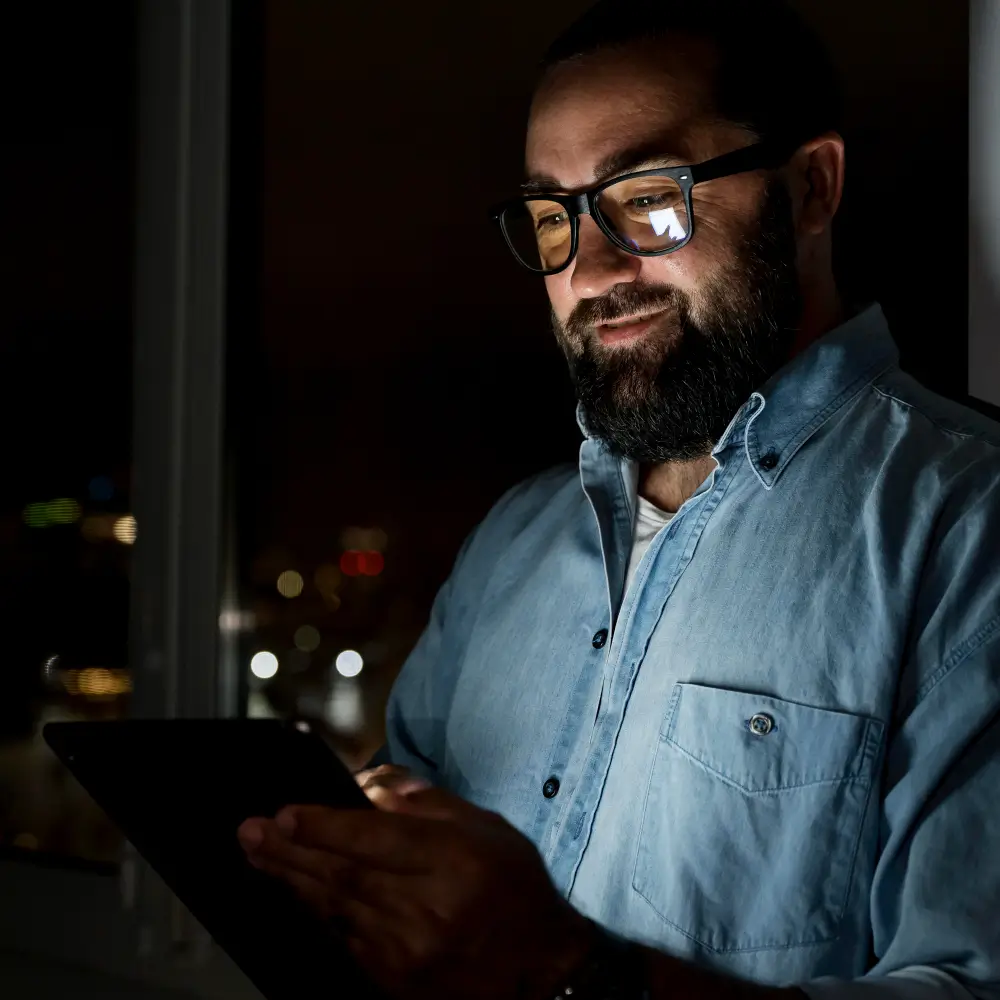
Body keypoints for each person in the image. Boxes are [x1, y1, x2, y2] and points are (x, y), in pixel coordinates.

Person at [237, 1, 1000, 997]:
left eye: (647, 197)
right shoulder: (511, 542)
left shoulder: (965, 526)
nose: (590, 270)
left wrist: (572, 972)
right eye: (554, 217)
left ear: (810, 187)